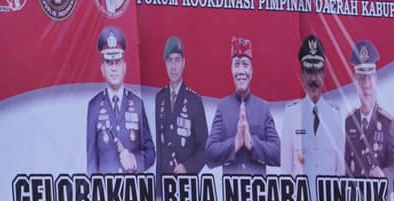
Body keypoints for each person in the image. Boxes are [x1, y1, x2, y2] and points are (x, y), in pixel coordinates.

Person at [205, 37, 281, 175]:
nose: (241, 71)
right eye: (237, 64)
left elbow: (279, 153)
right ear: (231, 69)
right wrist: (236, 142)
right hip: (232, 193)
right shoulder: (222, 107)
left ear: (251, 71)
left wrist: (252, 143)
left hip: (259, 194)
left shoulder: (263, 108)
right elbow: (209, 154)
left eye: (245, 65)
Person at [86, 26, 155, 175]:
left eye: (117, 62)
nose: (113, 69)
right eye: (109, 63)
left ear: (124, 67)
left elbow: (151, 152)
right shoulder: (94, 106)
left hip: (132, 194)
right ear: (102, 69)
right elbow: (91, 162)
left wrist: (135, 161)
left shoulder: (137, 104)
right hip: (106, 194)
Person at [281, 35, 343, 182]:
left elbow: (340, 172)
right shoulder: (291, 114)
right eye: (309, 72)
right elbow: (286, 172)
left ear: (324, 75)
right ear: (302, 75)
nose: (313, 79)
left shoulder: (335, 115)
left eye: (317, 72)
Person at [344, 41, 394, 181]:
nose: (366, 85)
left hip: (378, 200)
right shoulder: (350, 122)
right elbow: (347, 170)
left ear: (376, 80)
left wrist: (384, 175)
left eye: (370, 77)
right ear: (355, 82)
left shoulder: (387, 122)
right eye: (361, 78)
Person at [155, 37, 208, 181]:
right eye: (170, 60)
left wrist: (188, 167)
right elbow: (160, 147)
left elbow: (204, 148)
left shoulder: (194, 101)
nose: (173, 67)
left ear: (184, 63)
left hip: (186, 183)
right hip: (163, 183)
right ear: (165, 64)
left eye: (177, 60)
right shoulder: (159, 98)